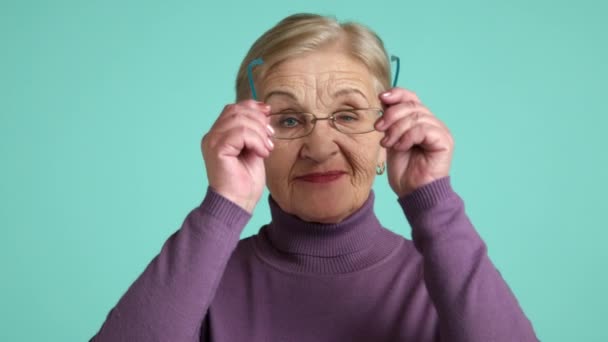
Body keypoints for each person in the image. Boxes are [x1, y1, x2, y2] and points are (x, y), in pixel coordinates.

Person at [91, 13, 538, 341]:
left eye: (347, 114)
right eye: (288, 120)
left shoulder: (446, 281)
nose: (320, 146)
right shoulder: (198, 284)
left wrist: (433, 201)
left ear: (388, 135)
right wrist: (223, 205)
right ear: (252, 142)